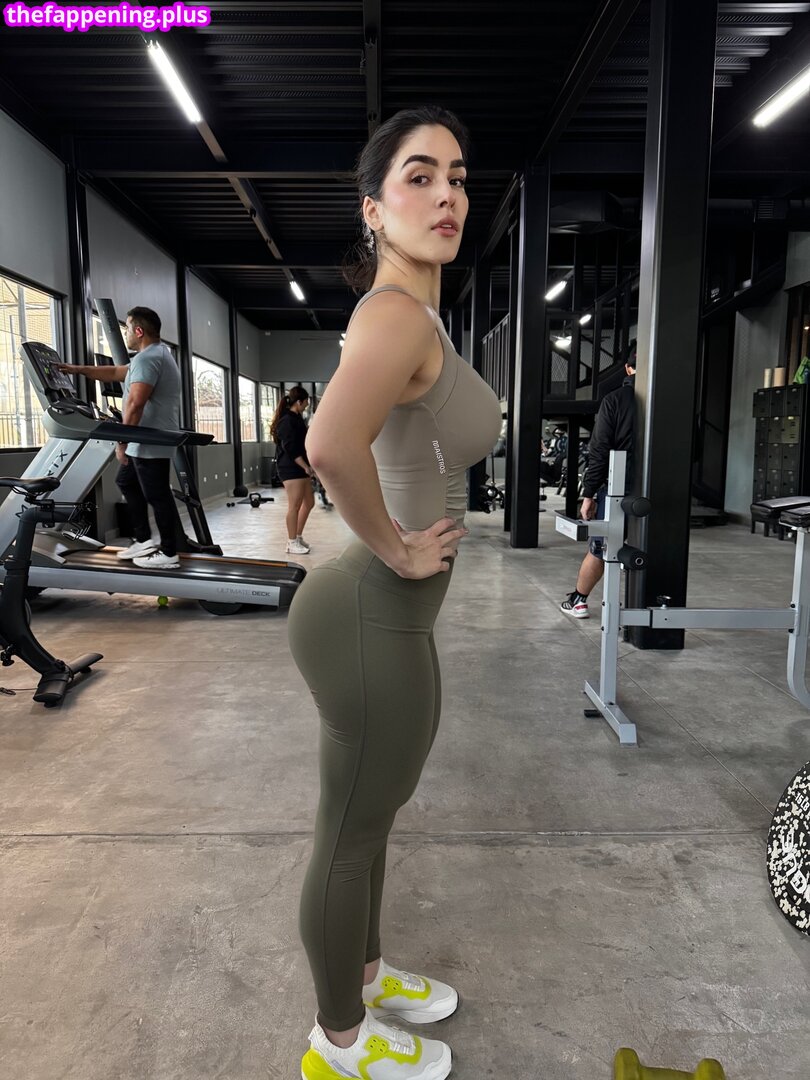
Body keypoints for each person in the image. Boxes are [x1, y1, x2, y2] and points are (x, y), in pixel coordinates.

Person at [286, 106, 501, 1080]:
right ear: (373, 208)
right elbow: (327, 446)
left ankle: (366, 976)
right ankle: (338, 1042)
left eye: (457, 177)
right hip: (370, 610)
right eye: (420, 176)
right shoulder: (396, 314)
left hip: (383, 617)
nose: (447, 194)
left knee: (365, 821)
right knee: (349, 834)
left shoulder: (412, 314)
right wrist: (399, 551)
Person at [59, 306, 183, 569]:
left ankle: (169, 552)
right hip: (145, 440)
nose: (125, 333)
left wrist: (122, 442)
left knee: (158, 495)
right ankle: (143, 539)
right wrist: (76, 369)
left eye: (127, 328)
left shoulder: (149, 359)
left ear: (138, 331)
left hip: (149, 442)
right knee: (126, 482)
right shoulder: (153, 355)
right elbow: (116, 373)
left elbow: (136, 404)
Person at [560, 341, 637, 619]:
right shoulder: (674, 402)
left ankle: (579, 600)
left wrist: (589, 493)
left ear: (628, 368)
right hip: (661, 488)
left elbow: (600, 451)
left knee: (601, 547)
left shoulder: (614, 401)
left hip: (619, 490)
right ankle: (647, 611)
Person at [269, 386, 315, 555]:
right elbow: (290, 448)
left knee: (309, 503)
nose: (307, 405)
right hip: (290, 468)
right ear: (299, 402)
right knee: (294, 506)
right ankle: (291, 542)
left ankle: (298, 536)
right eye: (306, 402)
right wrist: (305, 466)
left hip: (300, 467)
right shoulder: (287, 421)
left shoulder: (297, 418)